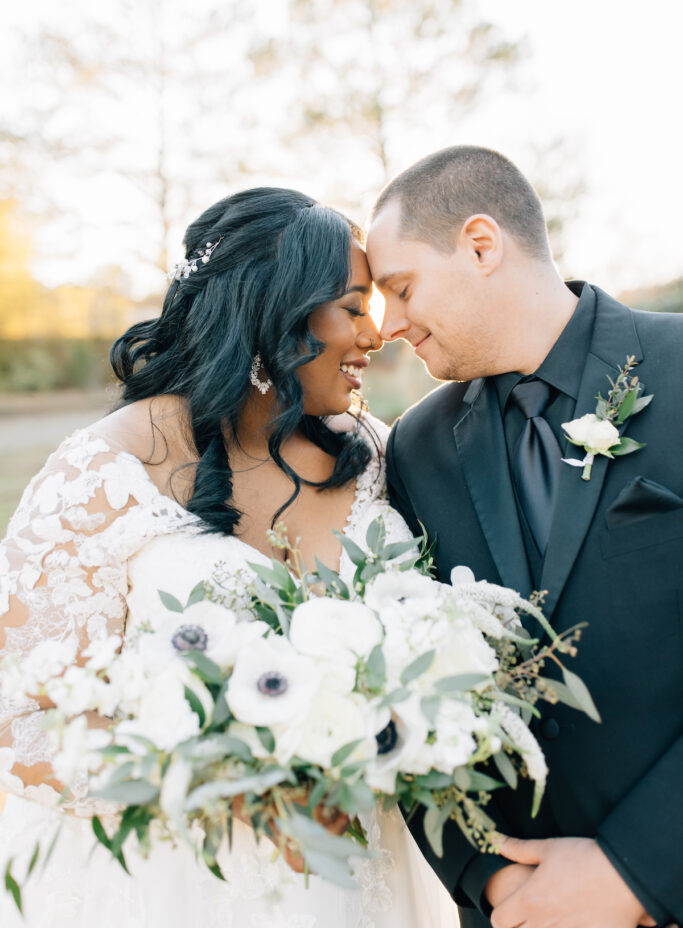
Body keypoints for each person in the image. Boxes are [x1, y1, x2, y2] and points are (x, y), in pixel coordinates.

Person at [0, 187, 459, 928]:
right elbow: (17, 713)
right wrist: (223, 781)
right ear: (271, 312)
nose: (375, 336)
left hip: (365, 877)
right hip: (180, 885)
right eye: (351, 307)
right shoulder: (103, 473)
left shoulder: (374, 451)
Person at [366, 146, 683, 928]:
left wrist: (633, 872)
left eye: (400, 289)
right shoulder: (416, 447)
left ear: (481, 245)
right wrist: (492, 878)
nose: (389, 326)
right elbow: (402, 676)